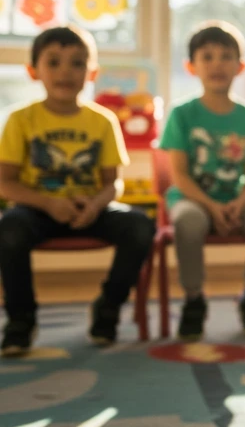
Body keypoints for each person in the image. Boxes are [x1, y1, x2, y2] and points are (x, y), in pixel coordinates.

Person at [0, 26, 155, 354]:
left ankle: (109, 306)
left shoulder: (103, 121)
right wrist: (48, 203)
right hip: (37, 212)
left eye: (77, 63)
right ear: (33, 71)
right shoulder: (20, 120)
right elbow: (6, 182)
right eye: (54, 62)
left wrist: (96, 205)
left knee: (140, 225)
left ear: (92, 72)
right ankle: (20, 320)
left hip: (91, 209)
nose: (65, 72)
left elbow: (113, 183)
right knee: (9, 228)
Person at [158, 21, 245, 339]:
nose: (217, 64)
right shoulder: (181, 114)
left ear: (240, 66)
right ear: (191, 66)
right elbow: (180, 176)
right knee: (188, 222)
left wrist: (240, 204)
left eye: (226, 56)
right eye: (207, 56)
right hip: (193, 200)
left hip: (238, 200)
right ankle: (194, 300)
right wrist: (213, 207)